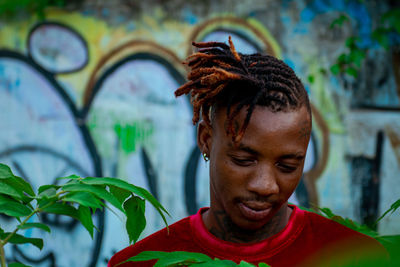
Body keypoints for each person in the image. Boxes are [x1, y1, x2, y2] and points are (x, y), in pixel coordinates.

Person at [108, 37, 388, 267]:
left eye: (288, 166)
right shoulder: (140, 264)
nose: (265, 186)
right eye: (244, 160)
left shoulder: (357, 257)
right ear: (206, 139)